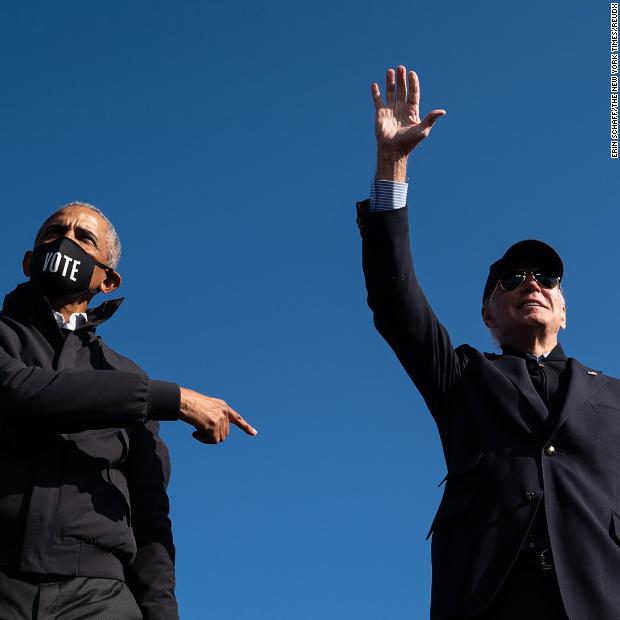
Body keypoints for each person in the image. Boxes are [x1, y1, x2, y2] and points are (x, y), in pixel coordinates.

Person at [357, 65, 620, 620]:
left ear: (565, 310)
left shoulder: (615, 396)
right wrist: (392, 167)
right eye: (512, 279)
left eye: (546, 279)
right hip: (489, 599)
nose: (532, 284)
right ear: (487, 315)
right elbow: (394, 300)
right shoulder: (463, 375)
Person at [0, 202, 257, 620]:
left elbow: (150, 517)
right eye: (54, 233)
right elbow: (18, 391)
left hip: (98, 598)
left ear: (108, 280)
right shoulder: (144, 392)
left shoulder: (126, 376)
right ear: (29, 262)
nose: (65, 242)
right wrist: (174, 398)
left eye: (84, 238)